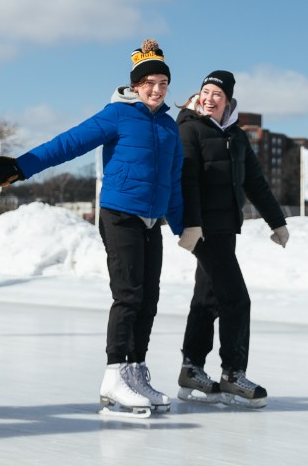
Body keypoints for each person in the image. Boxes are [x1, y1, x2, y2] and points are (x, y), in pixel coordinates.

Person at [12, 39, 185, 415]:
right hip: (120, 214)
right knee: (129, 295)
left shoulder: (170, 128)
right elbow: (70, 143)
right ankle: (114, 376)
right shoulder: (117, 115)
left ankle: (136, 372)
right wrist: (21, 166)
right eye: (150, 83)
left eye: (163, 84)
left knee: (150, 298)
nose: (156, 90)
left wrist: (183, 226)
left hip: (151, 220)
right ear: (136, 85)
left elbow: (174, 180)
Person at [175, 70, 288, 409]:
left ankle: (191, 369)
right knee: (237, 300)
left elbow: (255, 182)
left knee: (207, 299)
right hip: (204, 231)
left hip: (226, 230)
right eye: (205, 91)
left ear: (229, 101)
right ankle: (232, 374)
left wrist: (277, 221)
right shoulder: (189, 129)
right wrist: (191, 224)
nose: (210, 98)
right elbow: (187, 181)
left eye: (217, 94)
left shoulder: (237, 137)